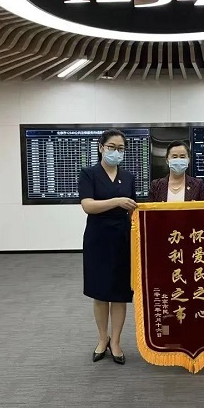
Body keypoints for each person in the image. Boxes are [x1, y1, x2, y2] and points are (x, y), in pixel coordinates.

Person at [78, 129, 137, 365]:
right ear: (101, 147)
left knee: (120, 293)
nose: (116, 152)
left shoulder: (129, 177)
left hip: (123, 238)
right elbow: (88, 206)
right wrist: (116, 201)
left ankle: (116, 342)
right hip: (98, 238)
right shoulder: (89, 173)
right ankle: (103, 339)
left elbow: (133, 210)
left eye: (120, 148)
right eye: (111, 147)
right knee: (100, 293)